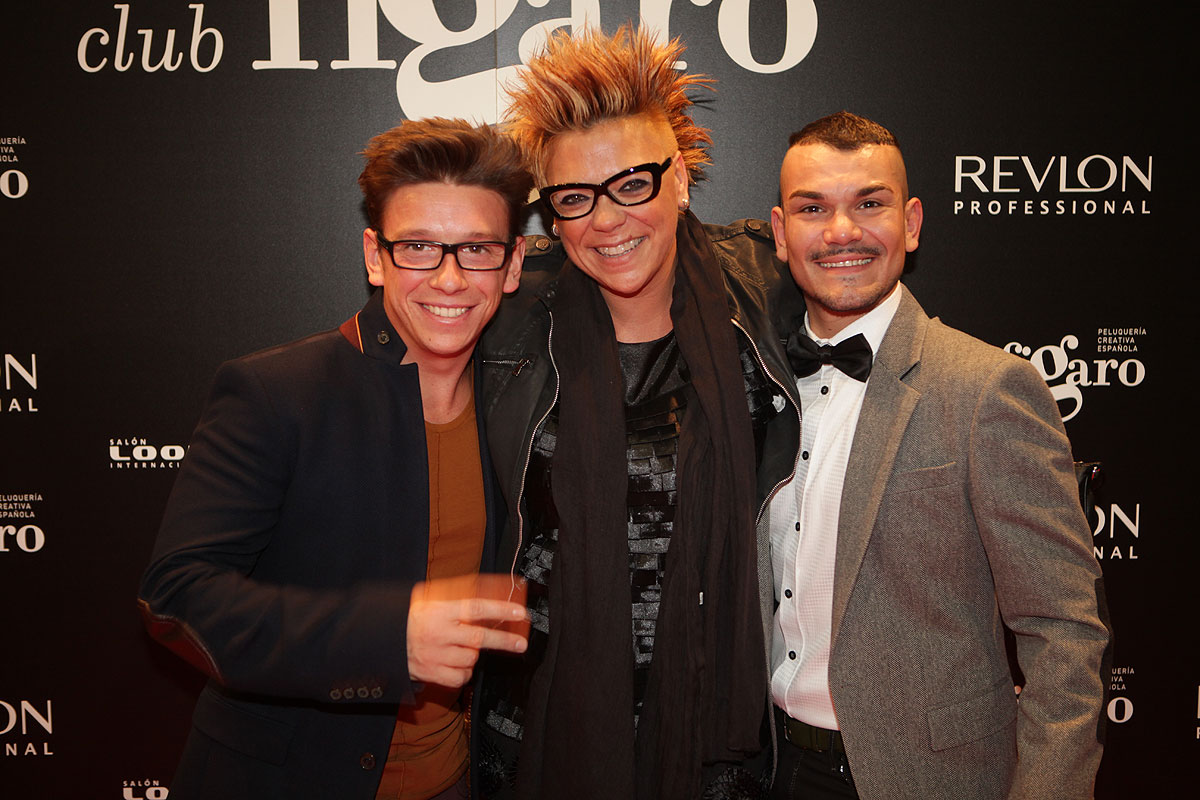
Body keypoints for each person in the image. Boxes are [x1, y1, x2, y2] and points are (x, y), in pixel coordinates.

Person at [137, 118, 534, 800]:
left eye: (476, 250)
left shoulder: (519, 406)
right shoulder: (276, 392)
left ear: (513, 264)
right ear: (375, 256)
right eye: (418, 247)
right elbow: (176, 595)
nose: (449, 278)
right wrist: (385, 639)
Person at [474, 26, 798, 800]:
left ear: (679, 178)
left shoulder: (768, 291)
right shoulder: (505, 317)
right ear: (551, 215)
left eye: (632, 184)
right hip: (540, 723)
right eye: (574, 198)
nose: (606, 220)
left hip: (717, 730)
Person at [763, 111, 1110, 800]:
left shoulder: (987, 388)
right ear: (780, 233)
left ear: (912, 222)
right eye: (813, 208)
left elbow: (1065, 631)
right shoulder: (759, 381)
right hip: (770, 767)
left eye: (870, 204)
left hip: (930, 779)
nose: (841, 231)